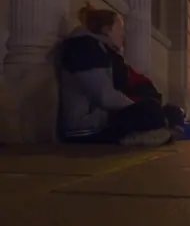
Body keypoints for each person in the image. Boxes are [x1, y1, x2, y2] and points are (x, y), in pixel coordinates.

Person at [59, 9, 175, 146]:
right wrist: (136, 108)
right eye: (120, 28)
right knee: (149, 111)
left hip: (101, 117)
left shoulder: (102, 49)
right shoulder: (84, 48)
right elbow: (105, 96)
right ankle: (139, 136)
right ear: (107, 30)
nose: (123, 34)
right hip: (84, 127)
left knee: (166, 111)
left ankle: (150, 131)